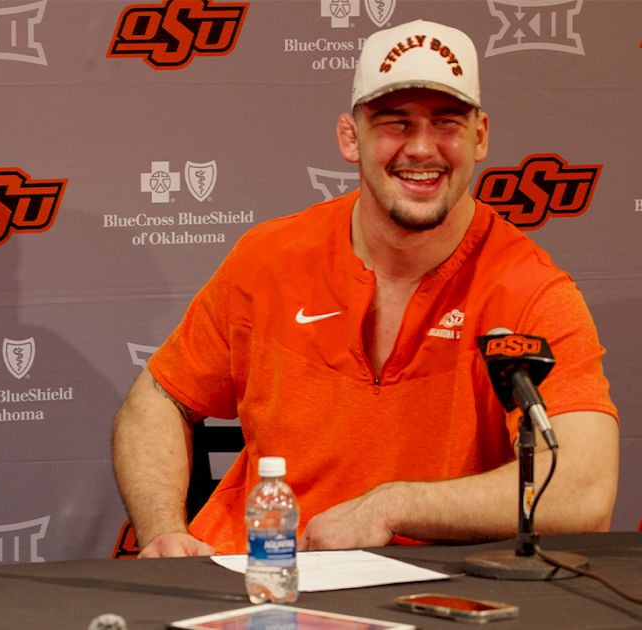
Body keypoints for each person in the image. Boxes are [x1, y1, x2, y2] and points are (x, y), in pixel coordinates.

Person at [111, 20, 619, 557]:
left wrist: (390, 506)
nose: (422, 148)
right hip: (259, 577)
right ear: (351, 137)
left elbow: (583, 491)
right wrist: (164, 531)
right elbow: (160, 396)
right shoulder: (269, 258)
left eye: (446, 122)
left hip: (422, 593)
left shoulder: (530, 290)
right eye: (394, 123)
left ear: (480, 136)